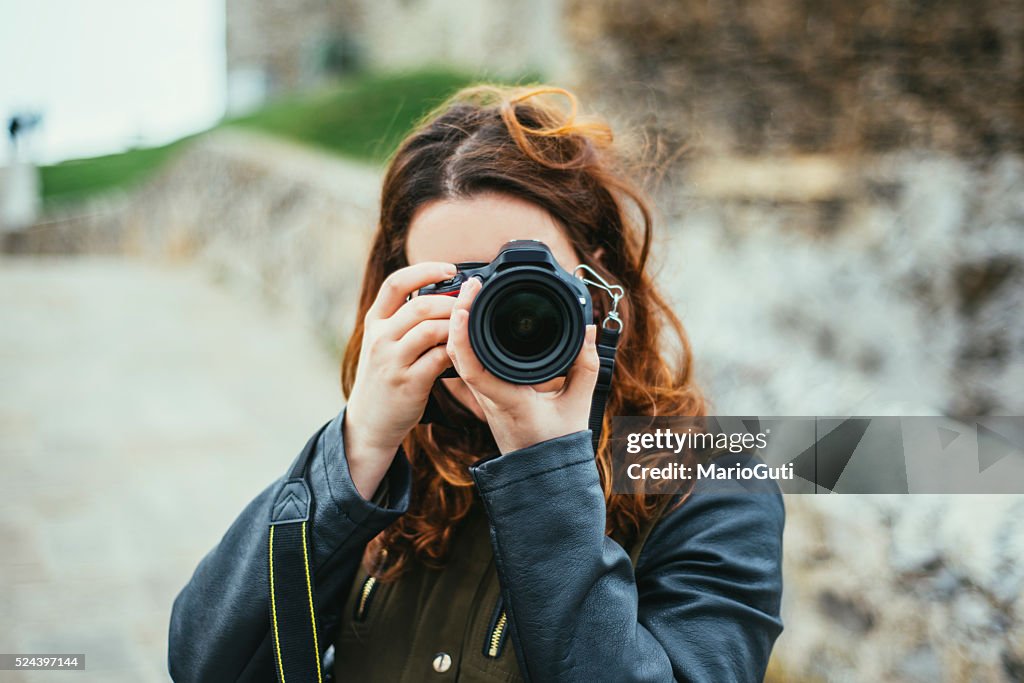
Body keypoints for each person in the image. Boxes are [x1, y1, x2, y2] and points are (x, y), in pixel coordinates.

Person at [168, 84, 784, 682]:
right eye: (453, 289)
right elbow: (204, 664)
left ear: (600, 286)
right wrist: (357, 446)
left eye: (527, 283)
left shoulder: (713, 467)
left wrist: (545, 469)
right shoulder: (388, 466)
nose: (483, 322)